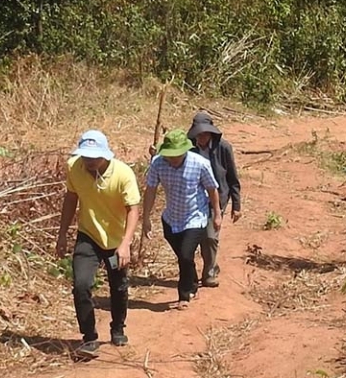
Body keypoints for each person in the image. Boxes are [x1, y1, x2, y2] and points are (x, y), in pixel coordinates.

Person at [55, 130, 141, 354]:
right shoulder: (75, 167)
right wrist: (62, 233)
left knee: (119, 286)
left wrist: (125, 243)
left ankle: (118, 328)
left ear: (105, 154)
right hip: (88, 236)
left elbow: (133, 209)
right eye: (85, 156)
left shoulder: (123, 174)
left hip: (115, 240)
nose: (89, 161)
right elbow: (71, 198)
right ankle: (89, 337)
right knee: (81, 285)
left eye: (94, 156)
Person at [141, 128, 220, 306]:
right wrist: (146, 218)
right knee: (184, 257)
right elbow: (151, 190)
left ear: (185, 151)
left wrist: (217, 214)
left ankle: (184, 296)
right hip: (171, 219)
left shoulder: (200, 163)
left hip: (195, 217)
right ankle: (192, 283)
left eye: (177, 155)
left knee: (185, 255)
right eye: (170, 155)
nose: (173, 159)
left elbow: (212, 189)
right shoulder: (158, 163)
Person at [187, 110, 242, 287]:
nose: (201, 137)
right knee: (195, 237)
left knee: (210, 236)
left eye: (204, 133)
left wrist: (236, 205)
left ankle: (209, 272)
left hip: (217, 198)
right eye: (198, 134)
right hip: (194, 199)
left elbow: (232, 177)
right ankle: (196, 272)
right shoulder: (189, 147)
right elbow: (170, 157)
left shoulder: (224, 148)